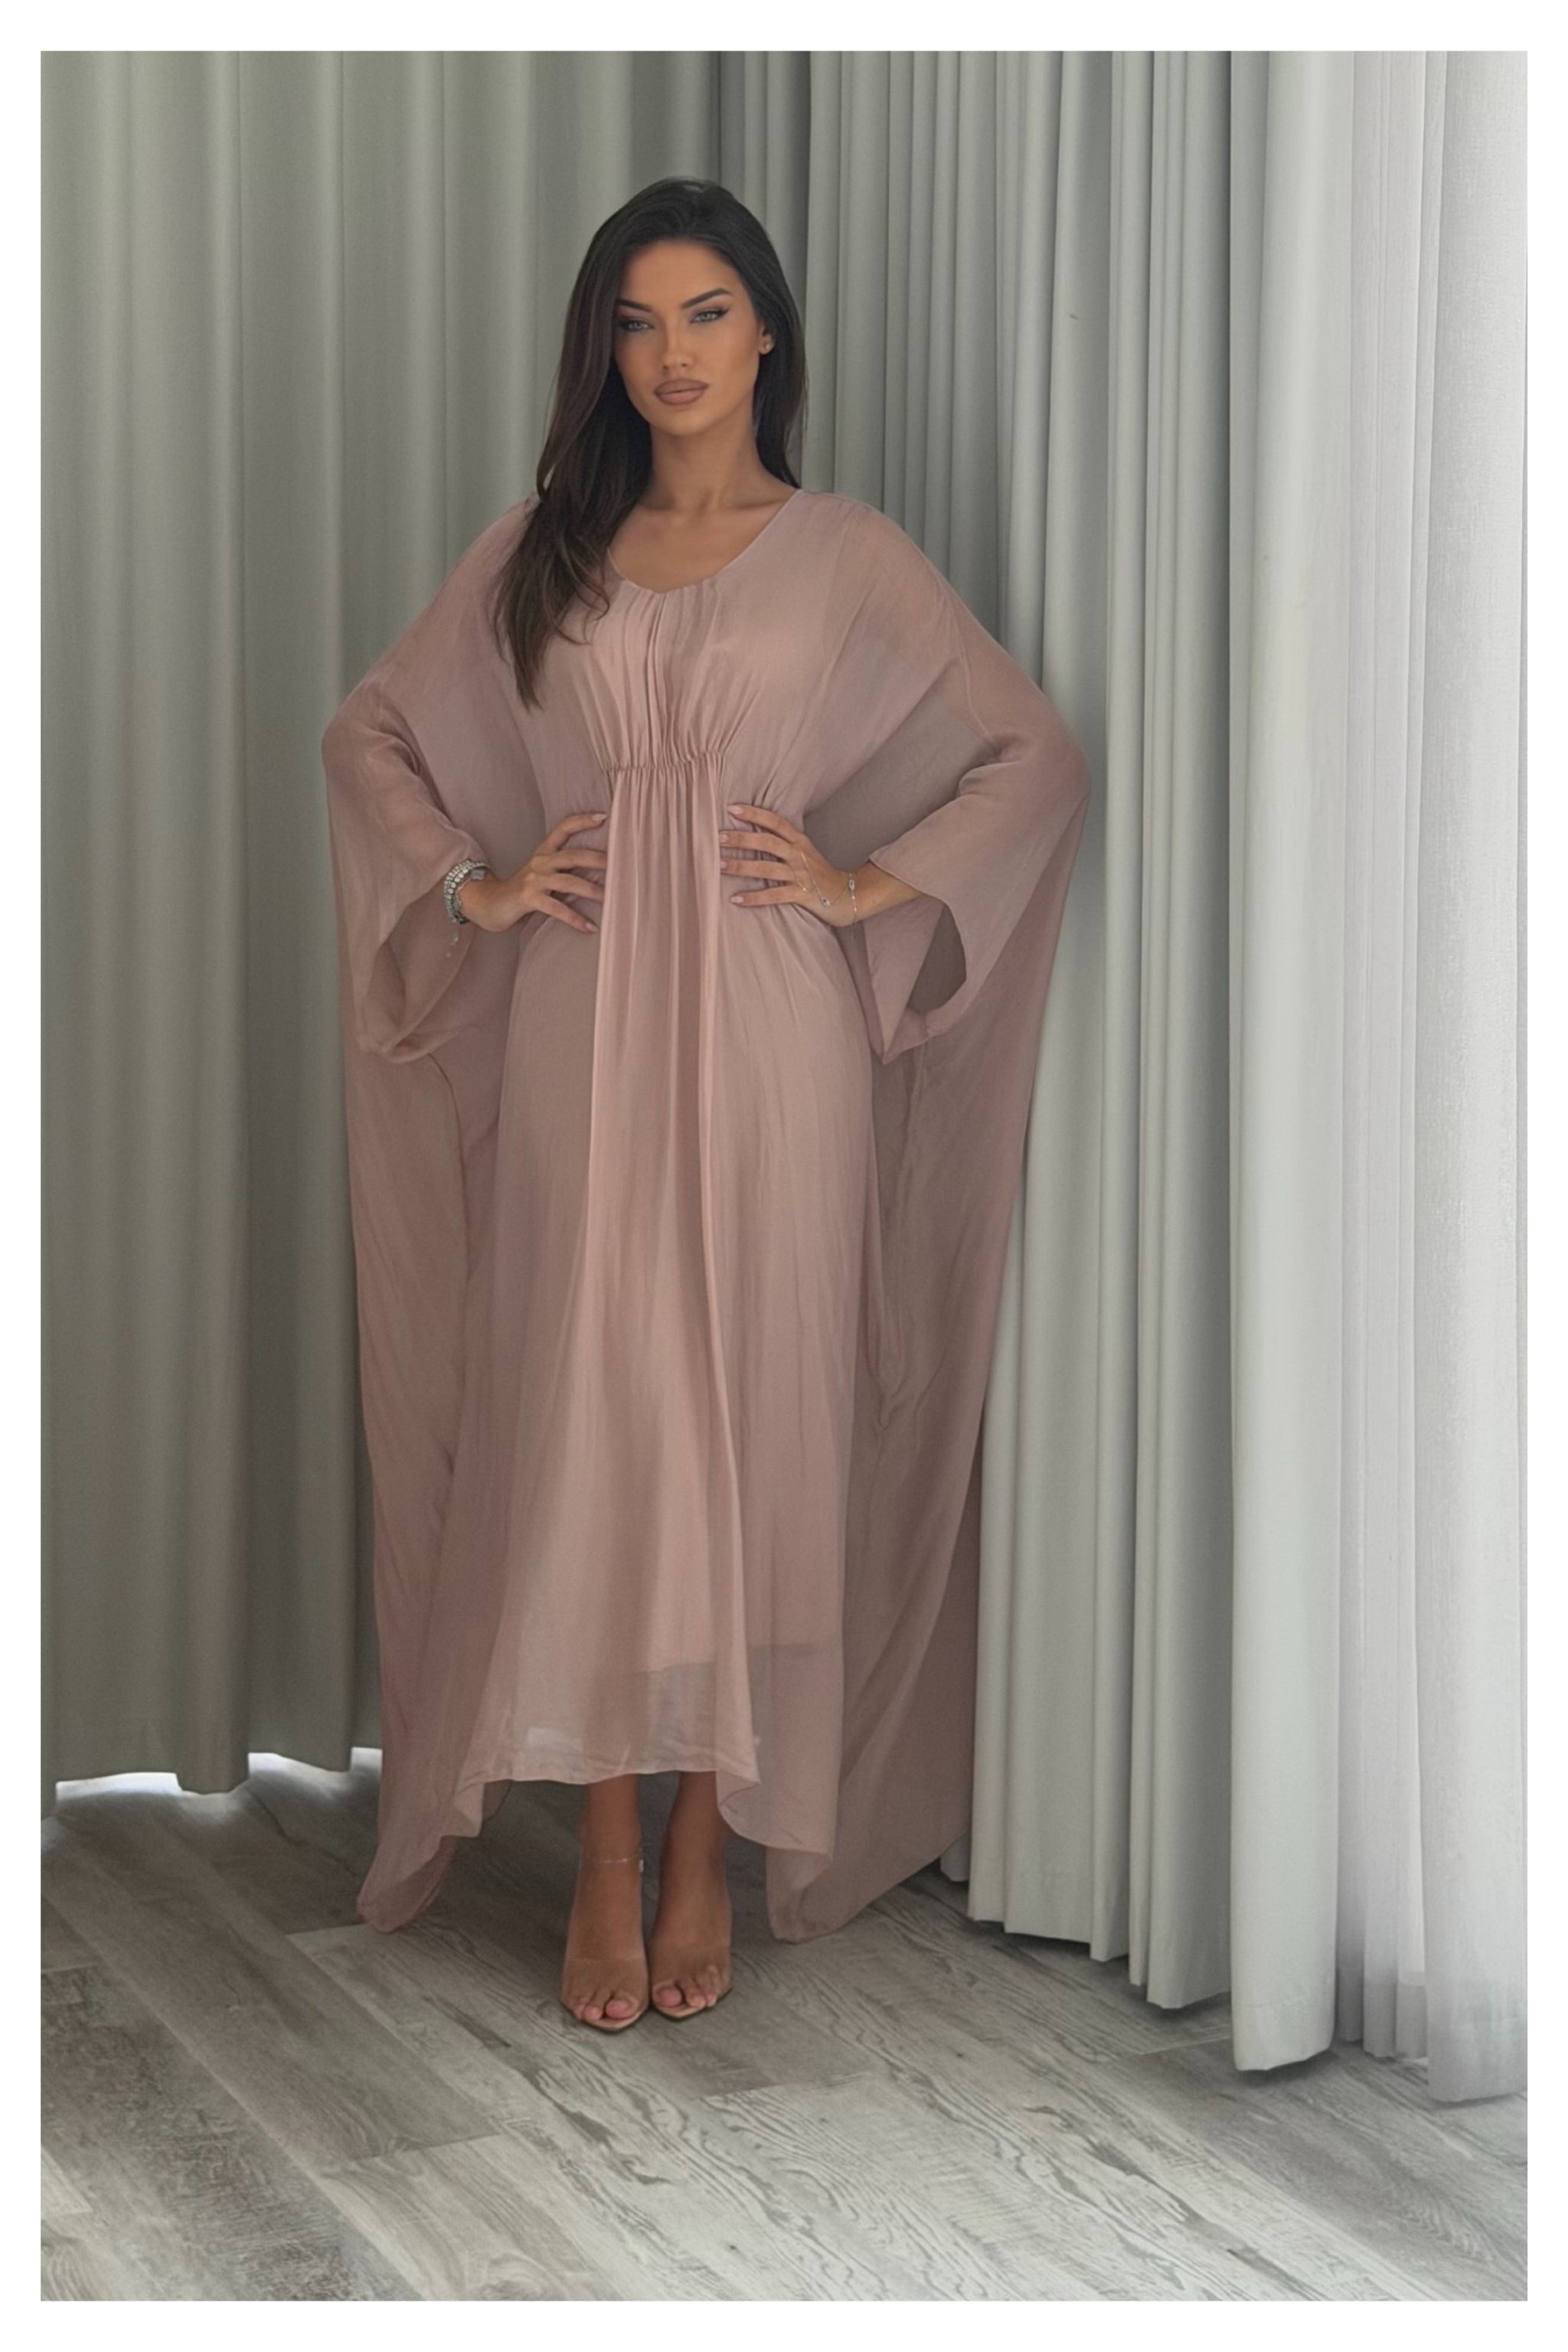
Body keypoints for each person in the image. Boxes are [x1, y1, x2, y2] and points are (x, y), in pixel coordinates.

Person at [322, 177, 1092, 2034]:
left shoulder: (845, 554)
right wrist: (472, 888)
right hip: (578, 1022)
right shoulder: (539, 552)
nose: (670, 354)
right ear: (603, 350)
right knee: (594, 1418)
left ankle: (698, 1845)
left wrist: (858, 884)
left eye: (705, 313)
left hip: (770, 1034)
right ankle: (599, 1843)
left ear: (767, 334)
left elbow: (1031, 754)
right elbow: (371, 733)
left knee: (750, 1421)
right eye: (636, 321)